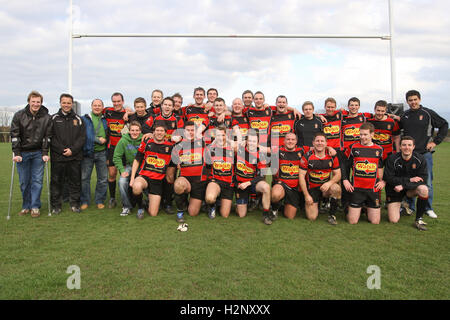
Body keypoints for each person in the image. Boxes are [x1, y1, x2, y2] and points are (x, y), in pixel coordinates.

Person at [399, 90, 448, 219]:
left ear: (419, 99)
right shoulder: (405, 115)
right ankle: (409, 206)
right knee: (408, 180)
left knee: (427, 181)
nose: (413, 102)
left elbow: (444, 125)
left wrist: (435, 142)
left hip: (424, 154)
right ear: (407, 101)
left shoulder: (428, 113)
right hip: (407, 155)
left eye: (415, 99)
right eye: (410, 100)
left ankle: (428, 208)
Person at [10, 90, 51, 218]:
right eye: (33, 101)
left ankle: (35, 206)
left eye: (38, 102)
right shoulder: (19, 115)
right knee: (24, 181)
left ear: (41, 103)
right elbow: (15, 135)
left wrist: (45, 152)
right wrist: (16, 152)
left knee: (37, 181)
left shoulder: (46, 117)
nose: (35, 104)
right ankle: (26, 205)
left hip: (38, 153)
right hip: (22, 153)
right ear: (29, 102)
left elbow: (47, 136)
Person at [49, 93, 86, 214]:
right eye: (64, 102)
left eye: (68, 103)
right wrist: (61, 150)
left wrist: (72, 150)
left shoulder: (78, 119)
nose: (66, 105)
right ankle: (56, 206)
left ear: (72, 104)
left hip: (74, 157)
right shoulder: (53, 118)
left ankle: (75, 204)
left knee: (75, 181)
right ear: (60, 103)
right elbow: (51, 137)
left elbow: (82, 138)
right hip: (58, 157)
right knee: (56, 182)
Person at [342, 123, 385, 225]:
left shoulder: (379, 149)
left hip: (372, 189)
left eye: (365, 135)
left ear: (372, 135)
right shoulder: (353, 147)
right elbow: (344, 165)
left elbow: (381, 167)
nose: (362, 137)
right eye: (361, 134)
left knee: (375, 222)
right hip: (357, 189)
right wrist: (345, 180)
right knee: (352, 221)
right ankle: (349, 208)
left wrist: (383, 181)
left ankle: (364, 208)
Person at [384, 136, 430, 230]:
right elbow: (389, 178)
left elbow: (423, 179)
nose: (406, 147)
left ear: (413, 147)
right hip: (394, 190)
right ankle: (403, 207)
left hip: (409, 189)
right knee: (393, 220)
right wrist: (409, 180)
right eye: (404, 145)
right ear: (400, 147)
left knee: (424, 189)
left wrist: (404, 185)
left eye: (409, 145)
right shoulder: (392, 159)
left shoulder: (420, 159)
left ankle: (418, 219)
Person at [130, 124, 175, 219]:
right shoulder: (146, 143)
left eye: (162, 131)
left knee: (153, 213)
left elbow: (172, 166)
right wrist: (132, 178)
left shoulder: (170, 147)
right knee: (137, 187)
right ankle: (140, 207)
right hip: (144, 176)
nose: (159, 132)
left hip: (157, 181)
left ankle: (147, 203)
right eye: (157, 130)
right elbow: (137, 160)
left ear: (165, 133)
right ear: (153, 132)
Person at [299, 132, 341, 225]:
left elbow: (338, 174)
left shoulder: (332, 156)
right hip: (312, 189)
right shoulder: (307, 156)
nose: (319, 143)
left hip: (325, 188)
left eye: (322, 141)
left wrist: (329, 183)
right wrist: (306, 195)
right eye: (317, 141)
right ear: (313, 143)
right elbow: (301, 177)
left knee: (336, 188)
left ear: (326, 143)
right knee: (311, 217)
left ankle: (332, 215)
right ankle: (319, 203)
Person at [171, 121, 208, 222]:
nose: (190, 132)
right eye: (188, 130)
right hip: (185, 179)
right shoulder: (178, 145)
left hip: (199, 182)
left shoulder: (204, 142)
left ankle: (189, 202)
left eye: (193, 130)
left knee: (193, 213)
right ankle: (180, 211)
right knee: (178, 185)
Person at [234, 132, 271, 220]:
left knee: (266, 187)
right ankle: (243, 202)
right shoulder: (239, 150)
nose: (251, 143)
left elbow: (262, 175)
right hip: (240, 184)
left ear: (258, 143)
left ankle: (266, 213)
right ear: (246, 141)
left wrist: (248, 183)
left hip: (252, 183)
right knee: (241, 214)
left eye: (254, 141)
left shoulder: (261, 155)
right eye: (249, 140)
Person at [80, 99, 108, 210]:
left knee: (102, 178)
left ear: (102, 107)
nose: (97, 107)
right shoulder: (85, 119)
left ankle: (99, 200)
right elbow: (84, 134)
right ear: (91, 106)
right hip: (88, 152)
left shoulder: (105, 119)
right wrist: (97, 139)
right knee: (84, 178)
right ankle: (85, 201)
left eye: (99, 105)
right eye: (95, 105)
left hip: (102, 153)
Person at [270, 132, 305, 221]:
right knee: (276, 194)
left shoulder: (302, 151)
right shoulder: (278, 151)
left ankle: (282, 203)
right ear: (284, 141)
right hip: (282, 184)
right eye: (288, 139)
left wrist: (329, 147)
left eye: (293, 139)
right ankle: (274, 210)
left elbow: (316, 147)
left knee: (290, 216)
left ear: (296, 141)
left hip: (294, 188)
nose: (290, 141)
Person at [203, 126, 236, 219]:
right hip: (215, 181)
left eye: (223, 135)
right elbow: (207, 167)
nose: (221, 138)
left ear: (227, 136)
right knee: (209, 198)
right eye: (218, 135)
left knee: (224, 215)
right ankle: (211, 205)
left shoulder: (233, 148)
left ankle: (218, 200)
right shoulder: (210, 149)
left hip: (229, 183)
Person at [113, 121, 143, 216]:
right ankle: (126, 206)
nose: (135, 132)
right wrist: (122, 170)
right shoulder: (123, 140)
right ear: (129, 131)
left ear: (140, 131)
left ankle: (146, 203)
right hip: (129, 166)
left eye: (137, 130)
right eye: (132, 130)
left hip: (143, 166)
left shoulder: (144, 140)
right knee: (122, 181)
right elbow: (116, 157)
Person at [104, 92, 127, 209]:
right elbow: (97, 109)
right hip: (112, 148)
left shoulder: (127, 113)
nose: (116, 103)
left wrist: (129, 111)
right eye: (114, 101)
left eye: (118, 101)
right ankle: (112, 198)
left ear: (123, 101)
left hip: (124, 149)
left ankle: (126, 198)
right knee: (112, 173)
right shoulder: (108, 111)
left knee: (124, 174)